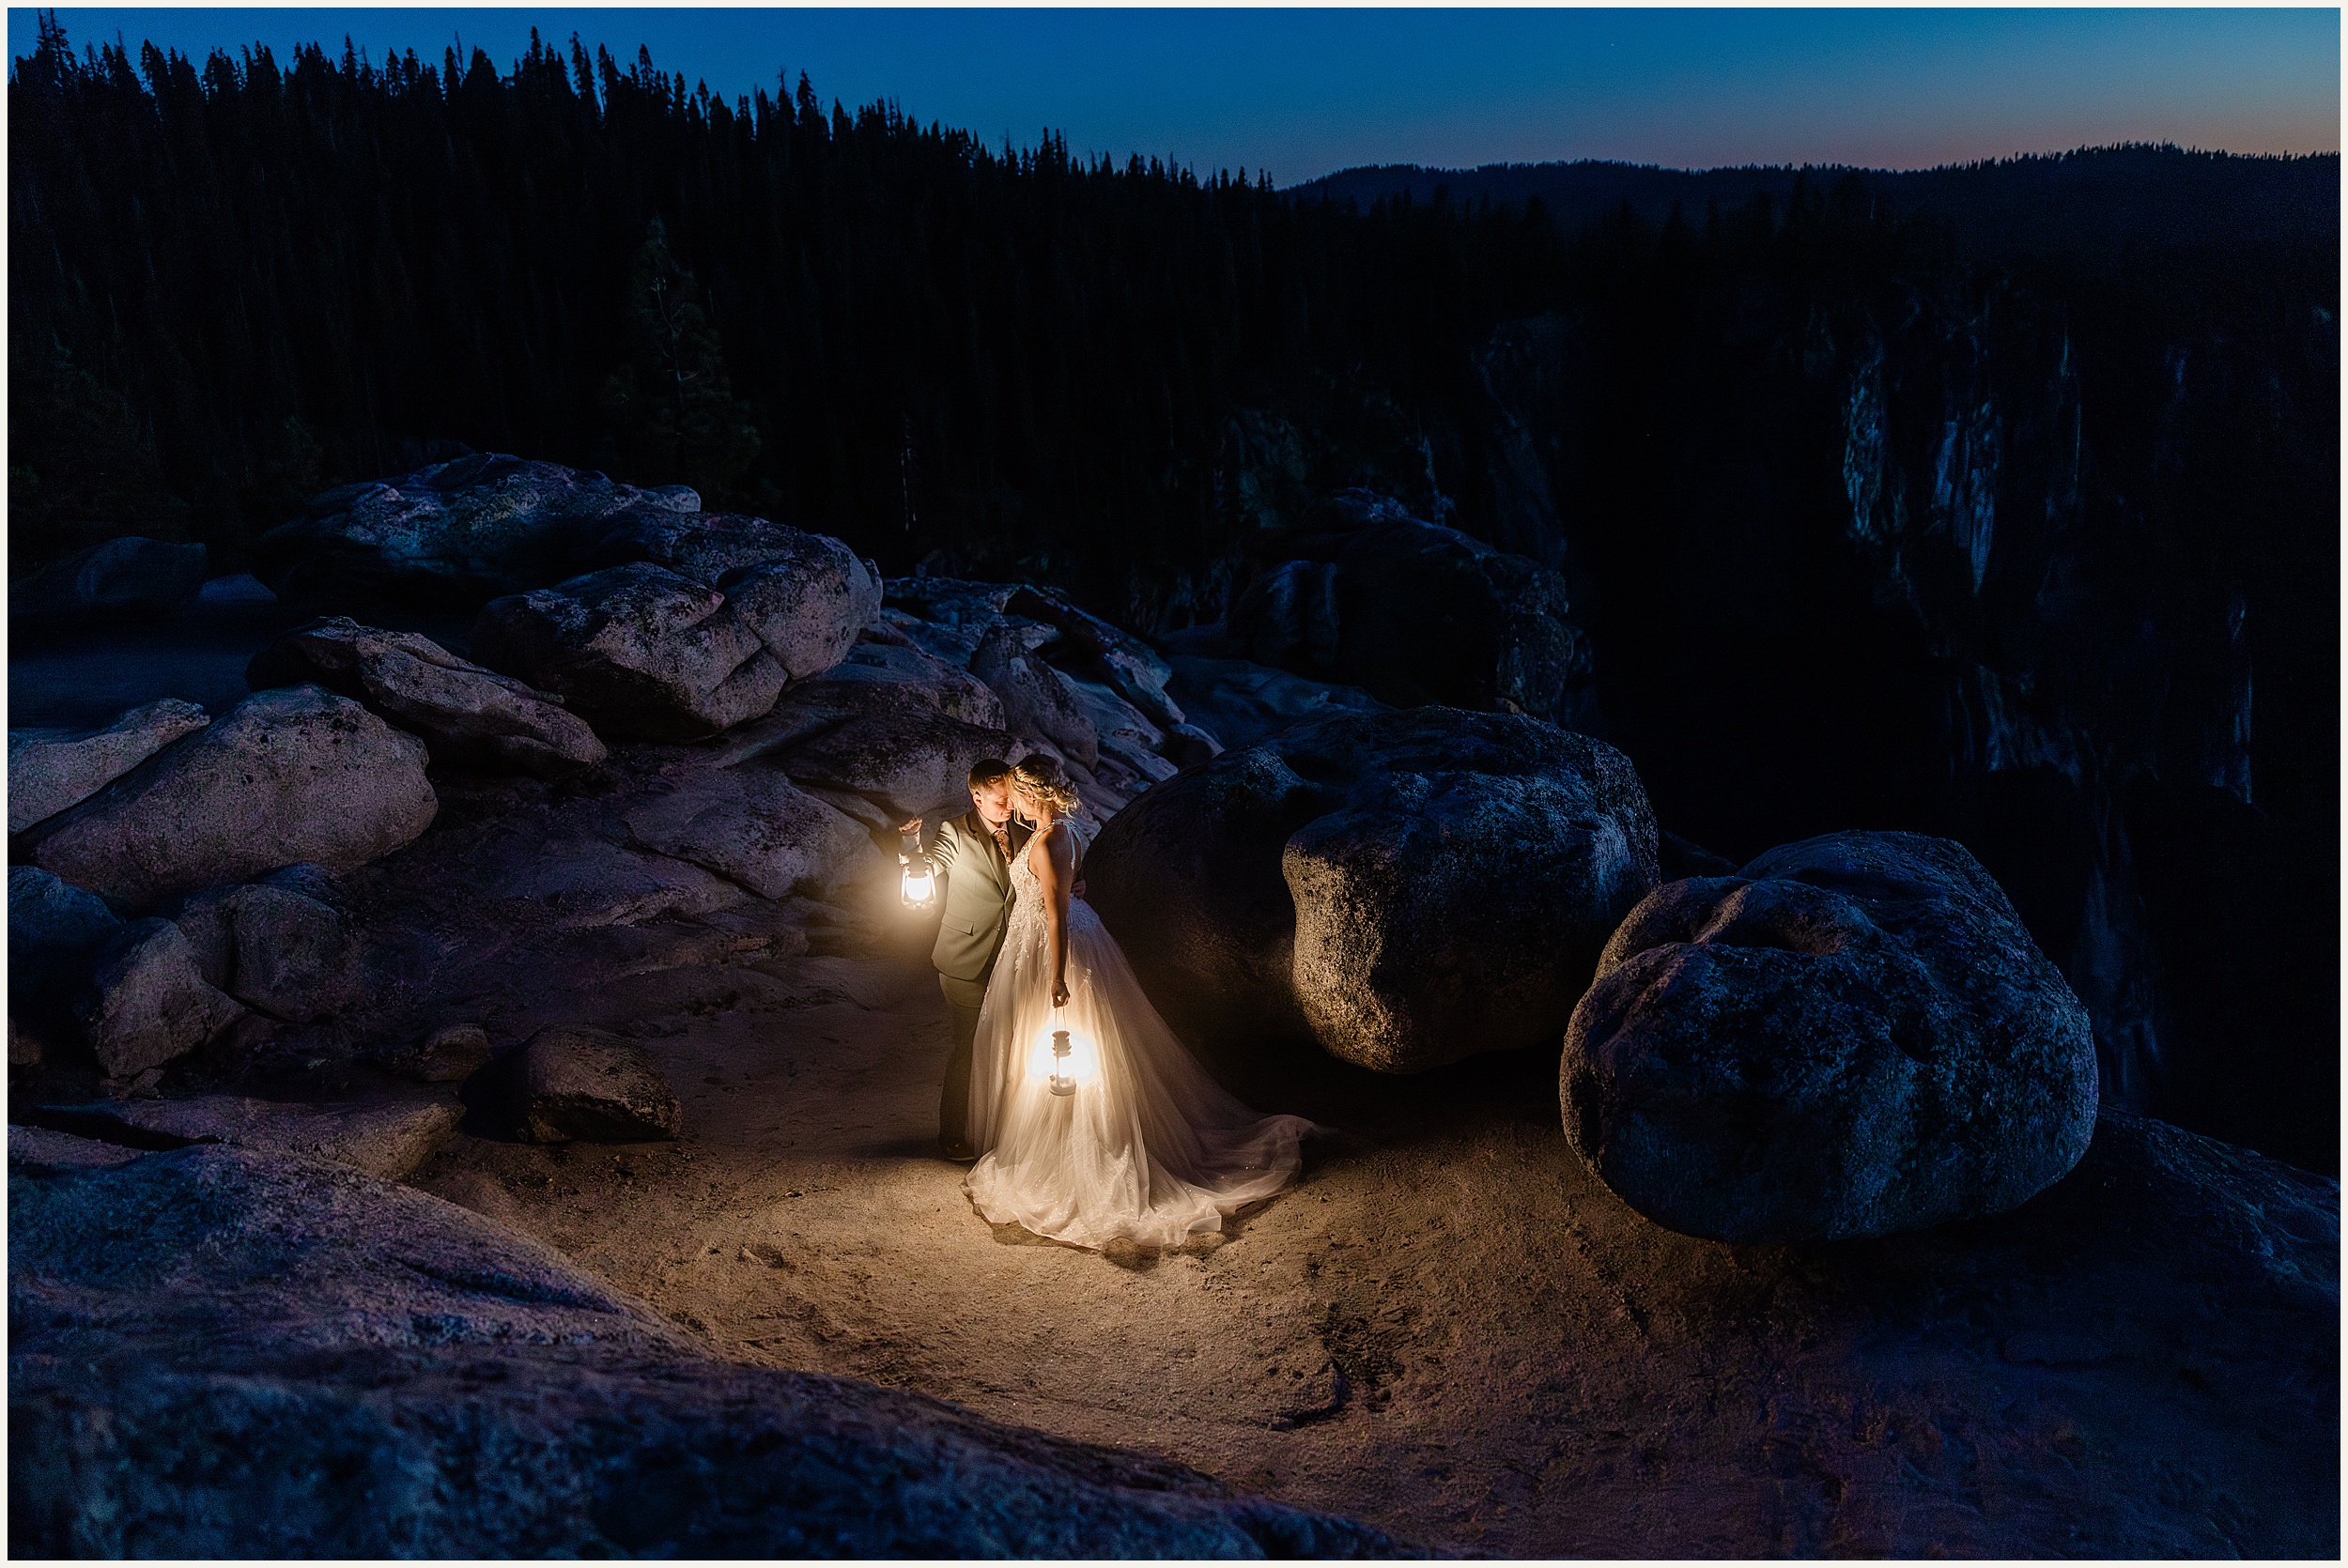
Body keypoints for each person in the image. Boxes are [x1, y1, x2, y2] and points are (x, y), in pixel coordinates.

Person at [962, 755, 1319, 1251]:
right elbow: (1065, 893)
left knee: (1068, 1046)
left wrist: (1057, 975)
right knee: (1062, 1048)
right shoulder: (1063, 832)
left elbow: (1055, 916)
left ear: (1032, 795)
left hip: (1056, 947)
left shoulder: (1047, 841)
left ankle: (1084, 1151)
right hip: (1062, 936)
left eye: (1017, 795)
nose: (1012, 803)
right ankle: (1068, 1137)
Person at [899, 759, 1027, 1162]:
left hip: (1019, 955)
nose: (1010, 807)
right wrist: (910, 846)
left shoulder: (1025, 829)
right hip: (965, 960)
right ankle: (952, 1134)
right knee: (968, 1048)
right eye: (1002, 801)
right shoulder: (954, 831)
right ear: (977, 797)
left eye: (1012, 799)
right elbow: (929, 865)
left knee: (1015, 1046)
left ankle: (1001, 1131)